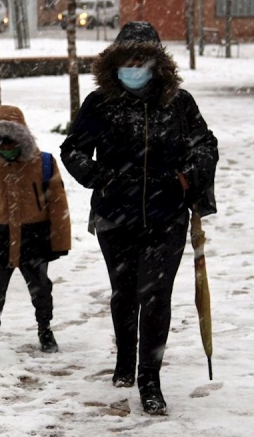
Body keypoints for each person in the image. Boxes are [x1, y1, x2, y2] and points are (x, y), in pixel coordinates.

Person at [59, 22, 218, 415]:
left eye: (141, 59)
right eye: (126, 59)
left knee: (157, 296)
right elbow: (72, 150)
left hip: (166, 217)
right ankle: (124, 360)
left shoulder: (179, 104)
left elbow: (206, 146)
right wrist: (102, 177)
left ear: (156, 63)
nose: (134, 66)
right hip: (116, 217)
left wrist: (188, 176)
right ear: (114, 62)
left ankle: (150, 379)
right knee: (124, 292)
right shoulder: (100, 104)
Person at [0, 105, 72, 362]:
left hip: (34, 237)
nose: (7, 146)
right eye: (0, 142)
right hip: (1, 237)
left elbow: (58, 204)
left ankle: (45, 330)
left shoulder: (44, 162)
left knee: (40, 288)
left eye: (12, 140)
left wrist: (59, 240)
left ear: (23, 137)